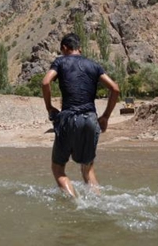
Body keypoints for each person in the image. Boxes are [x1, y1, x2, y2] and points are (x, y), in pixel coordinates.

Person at [42, 33, 120, 198]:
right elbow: (115, 89)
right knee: (88, 169)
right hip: (90, 119)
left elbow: (45, 82)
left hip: (69, 118)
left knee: (58, 169)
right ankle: (98, 203)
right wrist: (105, 116)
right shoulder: (93, 65)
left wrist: (49, 107)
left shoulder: (60, 62)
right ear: (80, 48)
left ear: (64, 48)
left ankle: (75, 202)